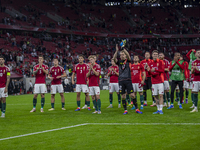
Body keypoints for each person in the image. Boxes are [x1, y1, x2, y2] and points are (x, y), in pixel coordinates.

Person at [113, 44, 142, 114]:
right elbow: (114, 59)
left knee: (132, 95)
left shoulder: (128, 61)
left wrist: (123, 49)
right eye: (121, 55)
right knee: (123, 96)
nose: (122, 56)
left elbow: (128, 56)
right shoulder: (119, 62)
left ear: (125, 55)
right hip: (121, 80)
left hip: (128, 80)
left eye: (123, 54)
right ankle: (125, 110)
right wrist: (116, 51)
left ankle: (137, 109)